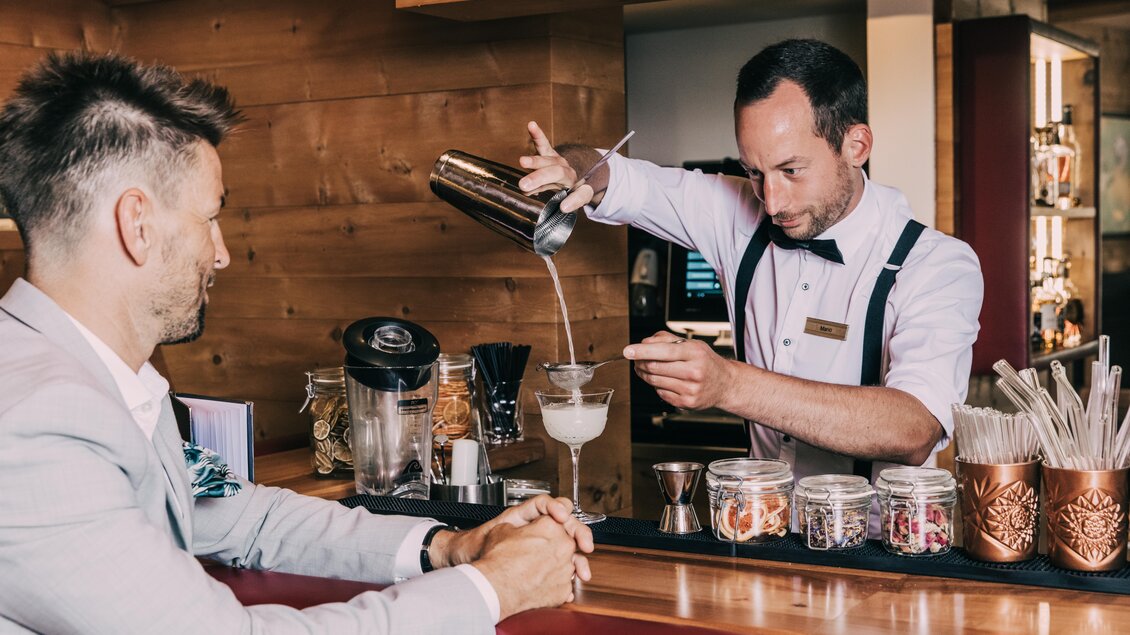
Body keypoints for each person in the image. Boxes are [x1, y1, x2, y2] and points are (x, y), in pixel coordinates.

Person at [0, 52, 592, 634]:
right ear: (138, 224)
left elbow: (246, 518)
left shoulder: (94, 383)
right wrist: (494, 588)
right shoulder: (36, 426)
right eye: (210, 218)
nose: (221, 254)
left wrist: (451, 546)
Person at [517, 39, 984, 531]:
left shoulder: (936, 264)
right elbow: (612, 174)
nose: (772, 201)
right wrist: (572, 168)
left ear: (857, 146)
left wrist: (729, 384)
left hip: (876, 549)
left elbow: (913, 427)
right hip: (759, 531)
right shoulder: (738, 212)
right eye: (754, 173)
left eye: (791, 170)